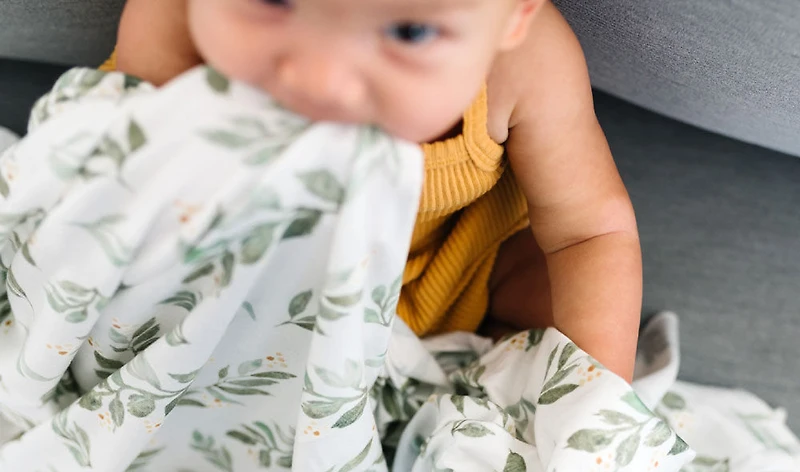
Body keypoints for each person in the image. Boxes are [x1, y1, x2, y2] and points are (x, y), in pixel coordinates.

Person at [107, 0, 642, 380]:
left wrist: (593, 402)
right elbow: (130, 179)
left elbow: (588, 230)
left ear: (512, 17)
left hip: (451, 278)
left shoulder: (527, 65)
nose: (319, 79)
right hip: (242, 270)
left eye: (409, 32)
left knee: (581, 315)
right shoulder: (173, 14)